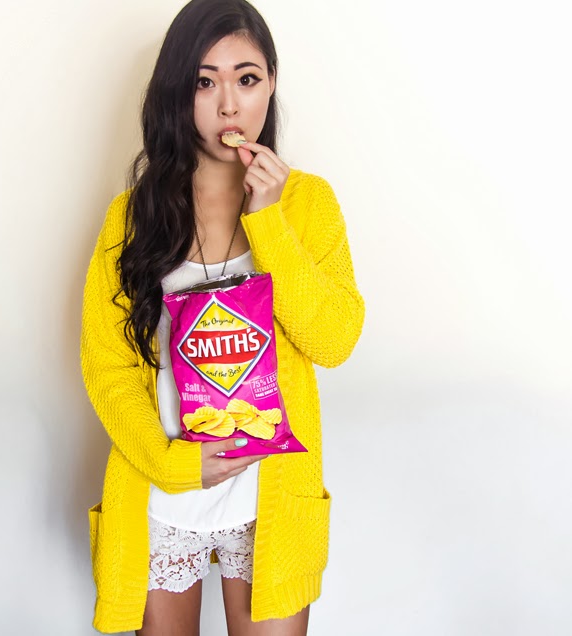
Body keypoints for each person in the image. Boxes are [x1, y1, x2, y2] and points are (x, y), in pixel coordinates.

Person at [80, 0, 364, 633]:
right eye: (204, 82)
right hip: (163, 488)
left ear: (271, 84)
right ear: (177, 93)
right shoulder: (132, 218)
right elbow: (108, 367)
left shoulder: (307, 204)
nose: (228, 105)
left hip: (271, 498)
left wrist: (270, 222)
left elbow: (335, 339)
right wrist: (174, 463)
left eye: (247, 78)